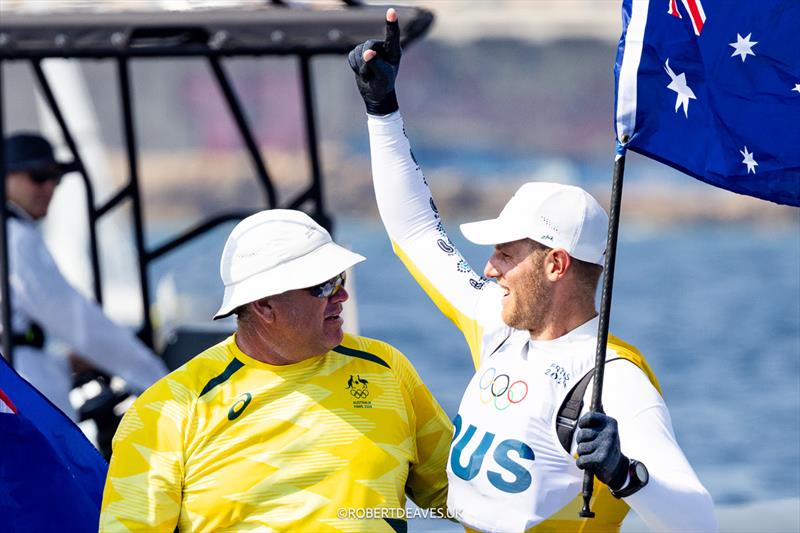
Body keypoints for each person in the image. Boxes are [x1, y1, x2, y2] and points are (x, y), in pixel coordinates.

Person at [348, 9, 718, 532]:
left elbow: (700, 521)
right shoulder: (498, 326)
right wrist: (381, 110)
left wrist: (623, 473)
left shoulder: (614, 381)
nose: (490, 268)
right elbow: (416, 232)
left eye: (505, 254)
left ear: (556, 265)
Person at [100, 209, 453, 532]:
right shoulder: (166, 411)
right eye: (324, 286)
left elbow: (463, 497)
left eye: (340, 278)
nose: (342, 295)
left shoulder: (388, 369)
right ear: (265, 305)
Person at [2, 132, 168, 423]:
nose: (50, 187)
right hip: (18, 397)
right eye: (39, 176)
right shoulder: (16, 239)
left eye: (56, 177)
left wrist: (65, 363)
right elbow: (75, 321)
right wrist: (158, 379)